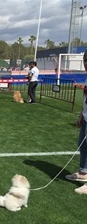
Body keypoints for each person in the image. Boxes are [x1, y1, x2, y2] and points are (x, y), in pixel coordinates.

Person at [65, 50, 87, 194]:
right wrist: (81, 115)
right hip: (86, 117)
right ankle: (83, 173)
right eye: (85, 60)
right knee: (82, 144)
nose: (86, 63)